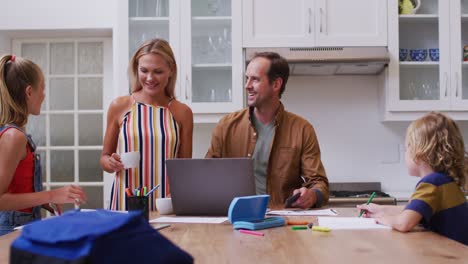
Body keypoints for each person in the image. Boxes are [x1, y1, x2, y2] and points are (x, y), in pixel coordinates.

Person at [206, 52, 328, 209]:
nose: (247, 85)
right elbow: (207, 177)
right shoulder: (226, 126)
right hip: (236, 218)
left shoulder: (302, 129)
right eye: (246, 78)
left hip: (283, 221)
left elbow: (319, 183)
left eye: (255, 79)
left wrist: (312, 195)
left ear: (276, 84)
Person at [100, 39, 193, 211]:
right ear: (136, 69)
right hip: (124, 204)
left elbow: (184, 169)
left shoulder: (182, 113)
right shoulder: (119, 106)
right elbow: (104, 158)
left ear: (171, 70)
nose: (150, 78)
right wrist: (111, 162)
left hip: (165, 205)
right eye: (144, 70)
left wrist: (178, 194)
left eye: (158, 71)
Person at [0, 54, 87, 235]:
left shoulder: (14, 133)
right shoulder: (13, 137)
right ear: (29, 92)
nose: (44, 95)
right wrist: (52, 194)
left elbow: (15, 187)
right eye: (43, 88)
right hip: (9, 231)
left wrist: (42, 201)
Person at [358, 112, 468, 245]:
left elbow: (404, 223)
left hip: (452, 254)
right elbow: (417, 210)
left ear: (419, 153)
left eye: (406, 148)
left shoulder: (431, 183)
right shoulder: (445, 181)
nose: (405, 154)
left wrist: (382, 219)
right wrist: (381, 209)